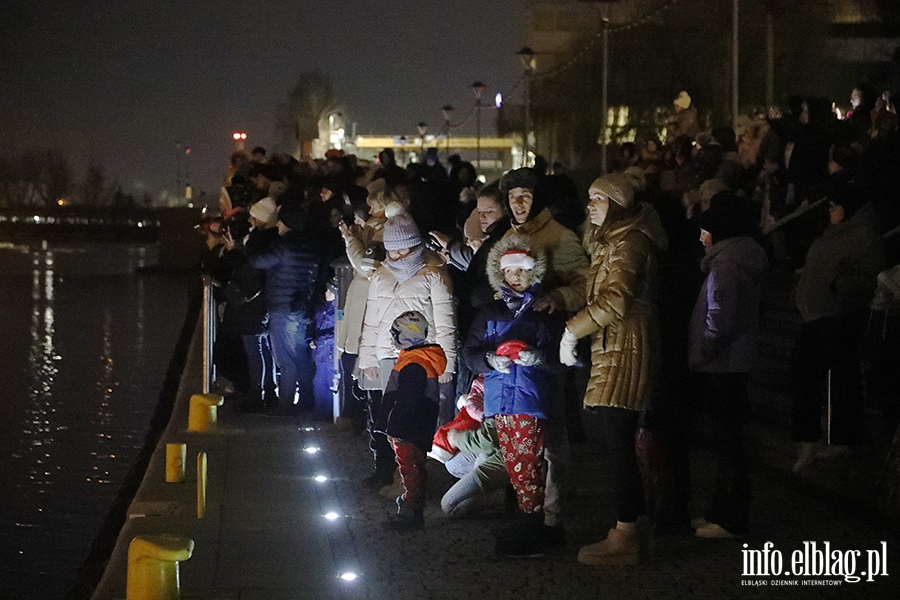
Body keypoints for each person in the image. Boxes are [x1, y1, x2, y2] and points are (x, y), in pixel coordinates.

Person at [560, 173, 668, 565]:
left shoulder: (630, 242)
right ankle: (632, 523)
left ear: (618, 205)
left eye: (598, 199)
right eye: (588, 198)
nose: (590, 206)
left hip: (626, 344)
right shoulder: (610, 242)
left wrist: (573, 330)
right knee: (606, 434)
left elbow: (617, 298)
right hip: (610, 344)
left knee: (615, 435)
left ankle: (628, 533)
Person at [463, 234, 566, 556]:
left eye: (522, 271)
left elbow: (565, 358)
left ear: (533, 272)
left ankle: (533, 523)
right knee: (516, 461)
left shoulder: (545, 312)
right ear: (501, 274)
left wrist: (540, 358)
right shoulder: (489, 311)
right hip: (500, 400)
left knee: (527, 463)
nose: (516, 277)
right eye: (510, 271)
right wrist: (489, 361)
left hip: (532, 400)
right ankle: (531, 521)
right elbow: (469, 353)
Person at [687, 192, 768, 538]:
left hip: (724, 366)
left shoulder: (725, 267)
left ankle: (731, 518)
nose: (702, 237)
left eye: (706, 231)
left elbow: (718, 323)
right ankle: (722, 511)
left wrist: (700, 355)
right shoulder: (738, 261)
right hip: (733, 363)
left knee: (728, 444)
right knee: (728, 443)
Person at [358, 204, 457, 481]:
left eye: (402, 250)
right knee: (385, 416)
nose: (396, 256)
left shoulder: (434, 275)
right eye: (391, 251)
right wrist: (367, 359)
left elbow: (446, 322)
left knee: (412, 421)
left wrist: (446, 362)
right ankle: (385, 470)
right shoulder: (380, 276)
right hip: (387, 355)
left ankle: (411, 480)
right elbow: (372, 320)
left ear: (415, 246)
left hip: (421, 359)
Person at [791, 183, 886, 471]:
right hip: (816, 315)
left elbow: (868, 276)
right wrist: (800, 293)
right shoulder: (828, 237)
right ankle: (810, 439)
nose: (831, 209)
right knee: (804, 373)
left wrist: (841, 285)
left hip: (842, 314)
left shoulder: (864, 237)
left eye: (837, 204)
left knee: (839, 375)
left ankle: (843, 439)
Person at [247, 199, 323, 415]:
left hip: (281, 307)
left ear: (285, 223)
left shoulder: (283, 245)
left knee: (285, 359)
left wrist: (256, 235)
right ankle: (306, 399)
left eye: (280, 223)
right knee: (299, 355)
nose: (278, 226)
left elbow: (257, 261)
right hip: (301, 307)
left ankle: (285, 405)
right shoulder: (310, 245)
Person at [375, 311, 447, 531]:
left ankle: (410, 513)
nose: (392, 338)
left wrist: (394, 428)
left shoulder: (413, 364)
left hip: (408, 428)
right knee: (415, 467)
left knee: (410, 468)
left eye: (395, 334)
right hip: (418, 425)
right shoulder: (420, 360)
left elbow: (407, 401)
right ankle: (411, 507)